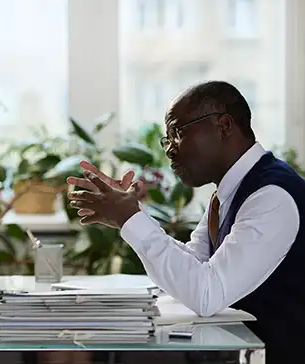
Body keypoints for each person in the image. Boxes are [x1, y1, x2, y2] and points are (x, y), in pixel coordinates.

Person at [67, 80, 305, 363]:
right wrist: (131, 216)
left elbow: (206, 294)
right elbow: (193, 265)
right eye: (166, 139)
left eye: (176, 133)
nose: (169, 149)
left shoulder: (271, 197)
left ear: (224, 126)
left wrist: (130, 218)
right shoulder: (229, 192)